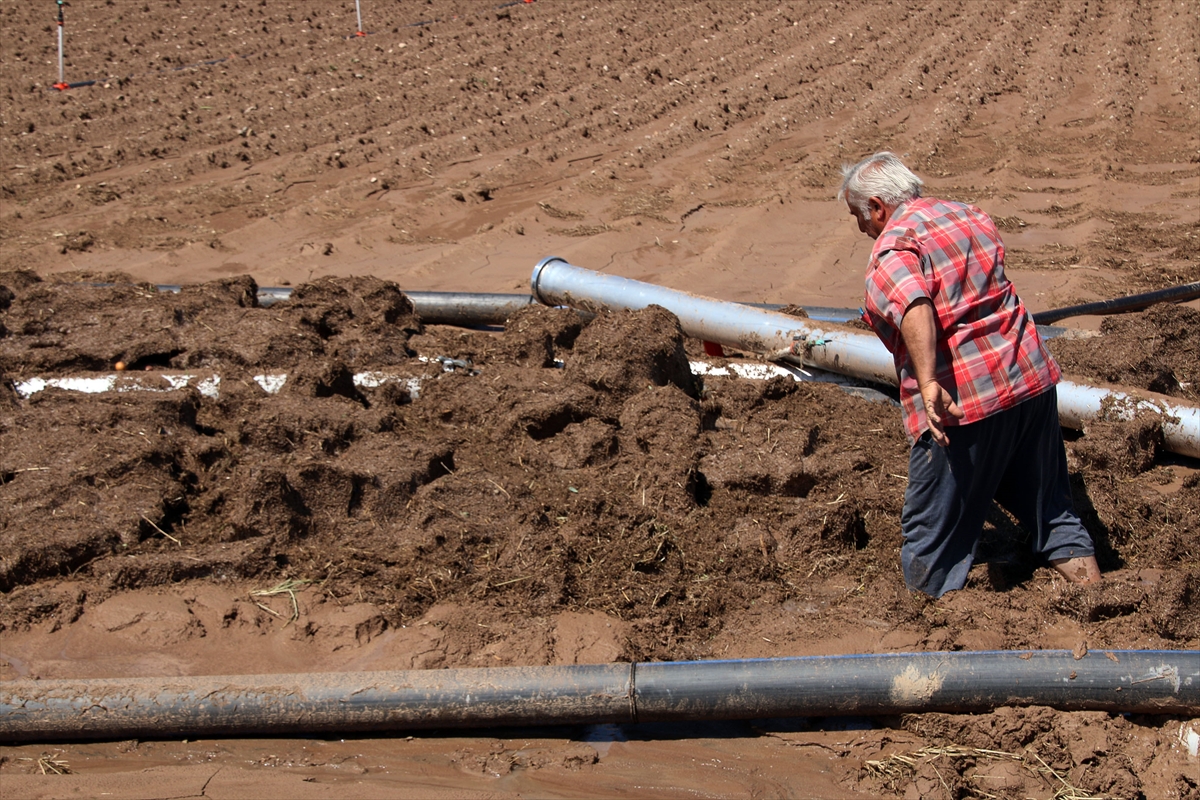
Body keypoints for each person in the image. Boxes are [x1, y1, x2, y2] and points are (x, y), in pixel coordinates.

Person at [838, 151, 1101, 598]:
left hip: (965, 404)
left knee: (930, 537)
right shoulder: (969, 216)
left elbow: (914, 306)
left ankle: (929, 628)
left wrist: (927, 383)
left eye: (857, 215)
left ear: (878, 206)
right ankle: (1098, 602)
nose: (860, 227)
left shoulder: (892, 248)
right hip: (1029, 380)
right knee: (1052, 510)